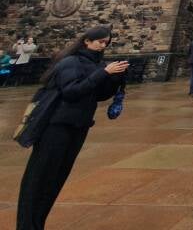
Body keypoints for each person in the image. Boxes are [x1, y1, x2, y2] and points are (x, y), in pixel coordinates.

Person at [17, 26, 128, 230]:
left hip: (78, 125)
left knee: (56, 179)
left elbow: (98, 94)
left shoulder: (96, 64)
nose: (103, 46)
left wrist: (114, 78)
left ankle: (37, 224)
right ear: (87, 41)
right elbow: (71, 91)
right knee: (40, 178)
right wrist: (104, 72)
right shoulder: (71, 62)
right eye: (100, 41)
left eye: (106, 43)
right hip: (56, 126)